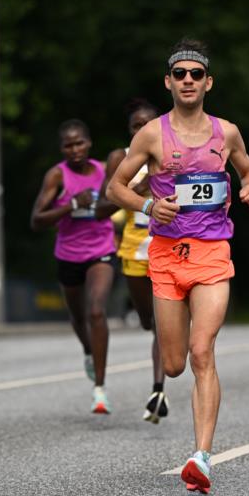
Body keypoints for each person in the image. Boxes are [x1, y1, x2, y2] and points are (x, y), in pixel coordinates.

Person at [107, 39, 249, 496]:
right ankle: (191, 431)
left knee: (202, 352)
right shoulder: (152, 135)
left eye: (196, 74)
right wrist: (150, 205)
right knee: (173, 364)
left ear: (208, 82)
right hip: (167, 258)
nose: (189, 80)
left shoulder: (226, 133)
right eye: (180, 74)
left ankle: (201, 457)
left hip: (213, 253)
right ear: (169, 82)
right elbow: (116, 188)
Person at [31, 119, 117, 414]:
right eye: (68, 145)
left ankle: (100, 390)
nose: (75, 149)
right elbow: (37, 220)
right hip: (68, 255)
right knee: (78, 317)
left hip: (101, 251)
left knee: (95, 311)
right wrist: (70, 205)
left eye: (79, 142)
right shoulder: (57, 176)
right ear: (62, 149)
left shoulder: (105, 171)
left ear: (89, 143)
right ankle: (88, 352)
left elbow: (117, 200)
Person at [106, 98, 169, 423]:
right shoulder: (122, 158)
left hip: (165, 248)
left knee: (159, 322)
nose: (143, 129)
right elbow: (108, 200)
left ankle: (158, 390)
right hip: (133, 250)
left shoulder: (170, 153)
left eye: (148, 123)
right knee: (146, 320)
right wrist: (140, 189)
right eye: (136, 125)